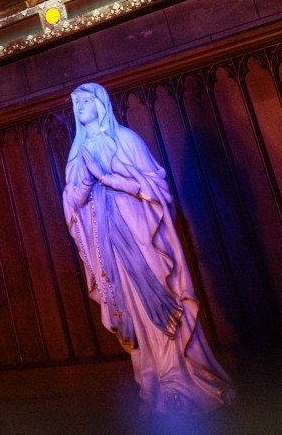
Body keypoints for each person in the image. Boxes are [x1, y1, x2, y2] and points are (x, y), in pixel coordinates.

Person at [61, 82, 235, 413]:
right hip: (107, 244)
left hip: (141, 238)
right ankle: (152, 381)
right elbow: (74, 202)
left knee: (159, 300)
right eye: (75, 102)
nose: (79, 106)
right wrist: (85, 181)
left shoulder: (126, 141)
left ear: (101, 103)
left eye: (85, 100)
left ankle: (179, 381)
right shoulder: (77, 154)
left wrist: (107, 178)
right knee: (129, 309)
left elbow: (155, 187)